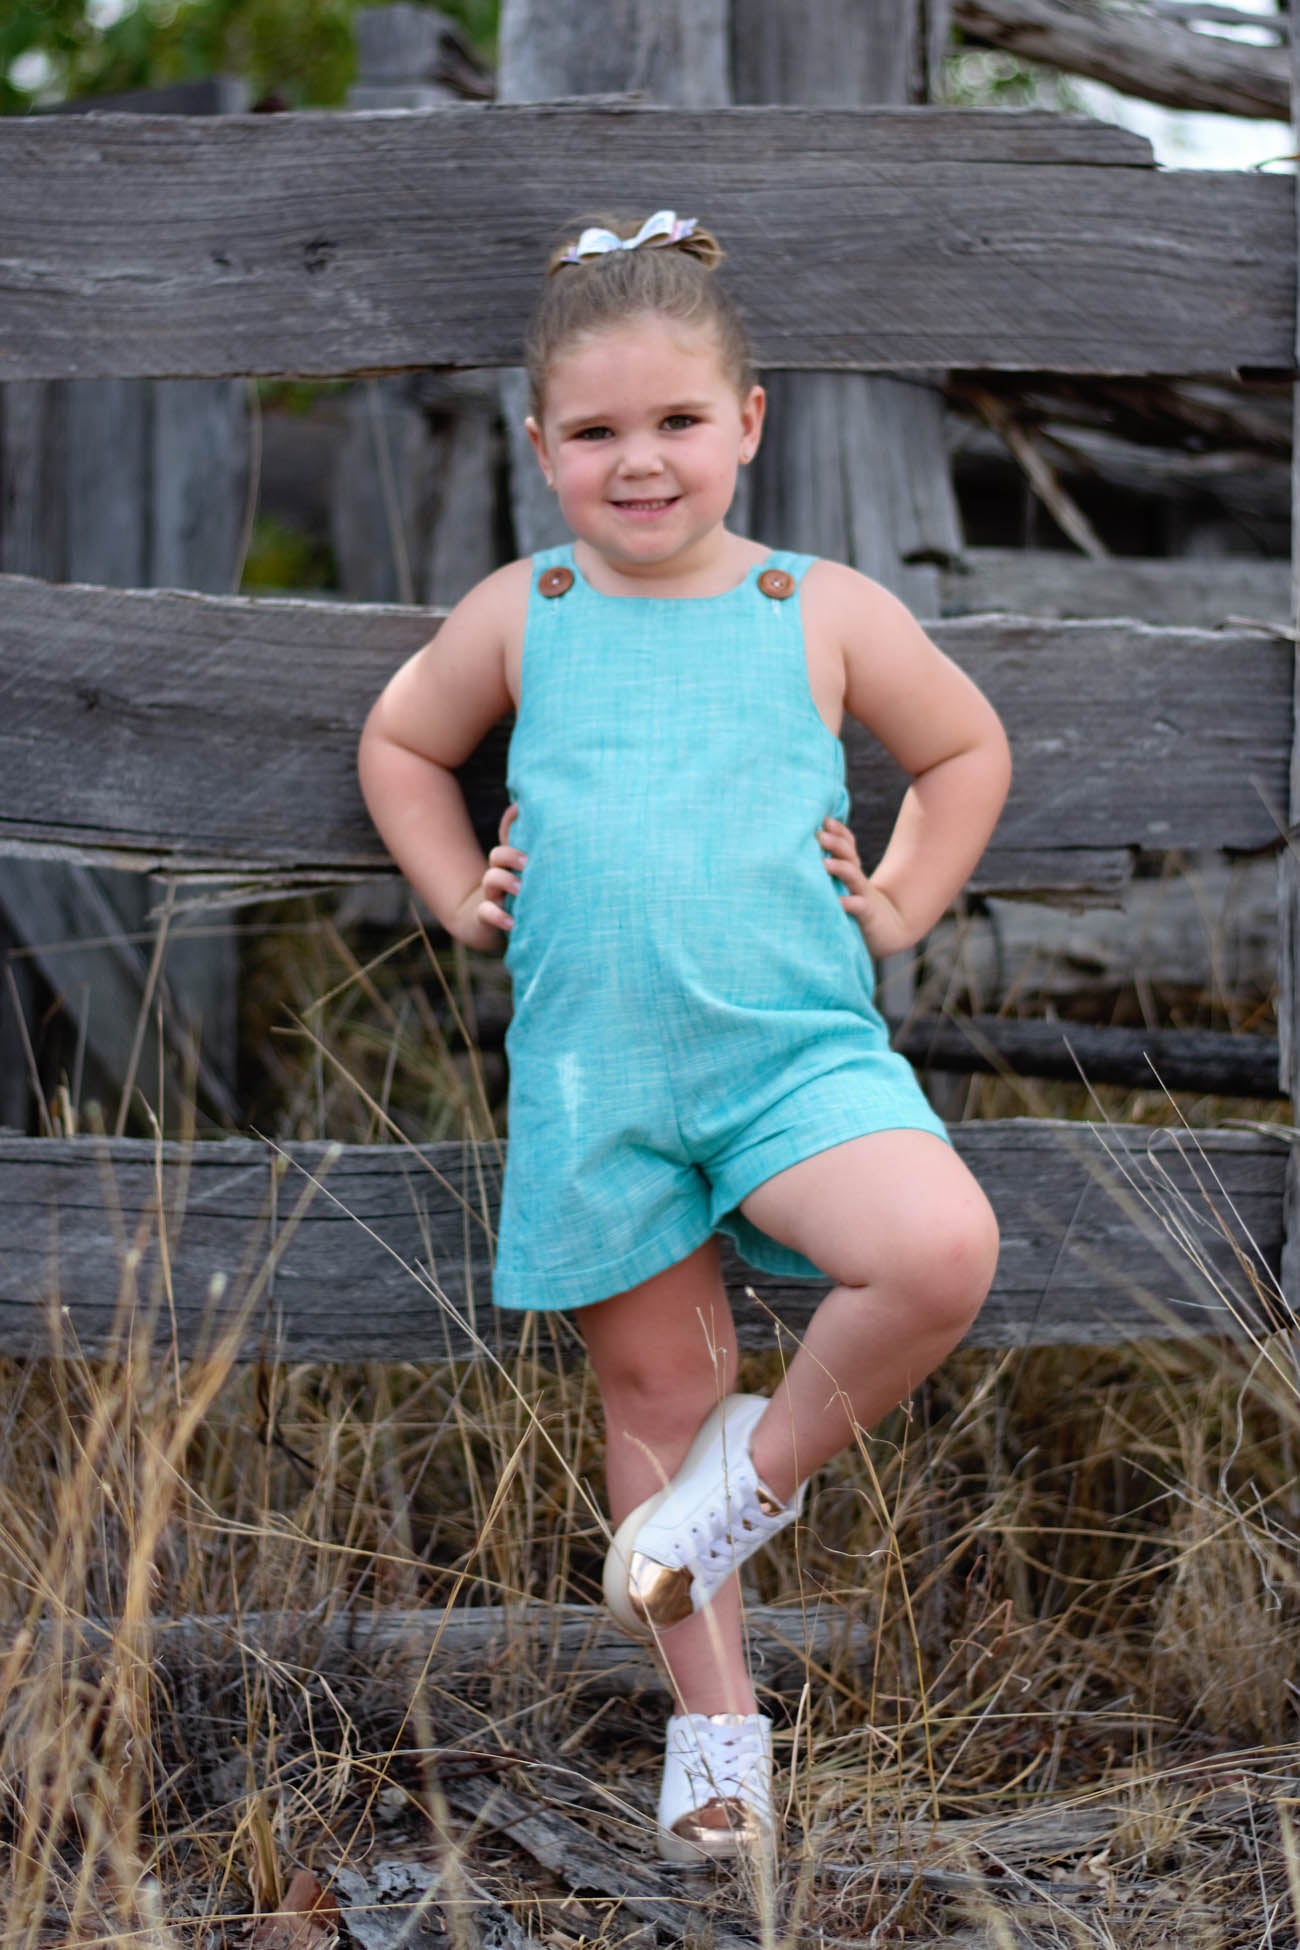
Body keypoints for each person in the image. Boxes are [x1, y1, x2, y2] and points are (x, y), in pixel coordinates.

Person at [358, 209, 1011, 1869]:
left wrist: (901, 899)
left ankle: (753, 1480)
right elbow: (402, 742)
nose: (639, 461)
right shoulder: (526, 607)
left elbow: (965, 750)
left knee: (937, 1248)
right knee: (657, 1382)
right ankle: (717, 1745)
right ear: (540, 448)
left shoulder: (818, 605)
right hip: (599, 1073)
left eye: (676, 421)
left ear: (749, 423)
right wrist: (456, 888)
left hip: (794, 1054)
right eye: (595, 432)